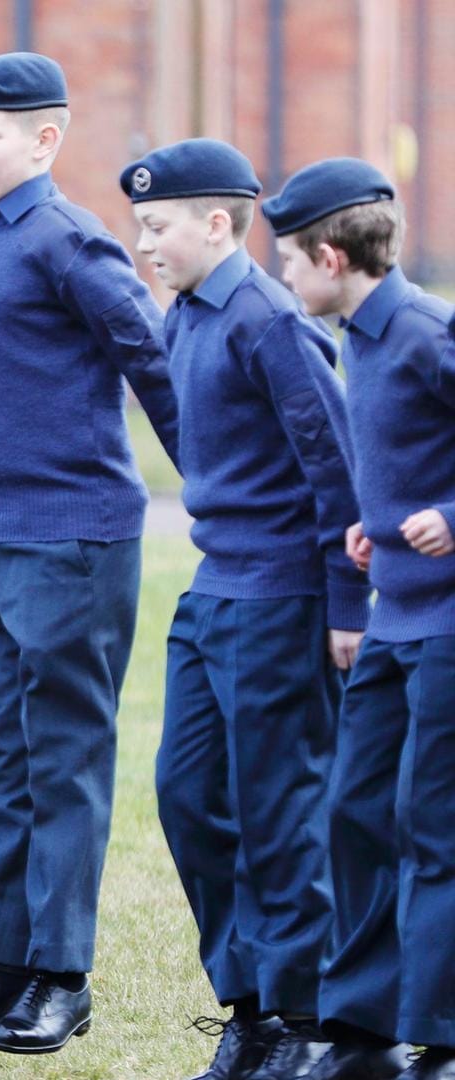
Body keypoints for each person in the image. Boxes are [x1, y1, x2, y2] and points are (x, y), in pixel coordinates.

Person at [0, 52, 180, 1056]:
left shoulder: (67, 239)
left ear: (46, 141)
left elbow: (152, 357)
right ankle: (1, 963)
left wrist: (218, 488)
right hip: (5, 537)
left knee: (62, 759)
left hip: (76, 539)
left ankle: (61, 977)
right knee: (8, 754)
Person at [119, 140, 365, 1080]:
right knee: (190, 799)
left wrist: (347, 606)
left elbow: (338, 472)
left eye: (158, 227)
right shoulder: (187, 315)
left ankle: (299, 1014)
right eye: (140, 228)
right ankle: (250, 999)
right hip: (212, 591)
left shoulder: (269, 320)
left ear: (218, 224)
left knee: (280, 812)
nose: (144, 245)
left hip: (284, 599)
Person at [266, 158, 455, 1080]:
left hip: (449, 625)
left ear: (331, 257)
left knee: (433, 824)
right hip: (395, 619)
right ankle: (365, 1029)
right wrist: (372, 524)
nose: (284, 281)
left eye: (290, 262)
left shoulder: (424, 331)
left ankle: (442, 1036)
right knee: (354, 811)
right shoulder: (357, 336)